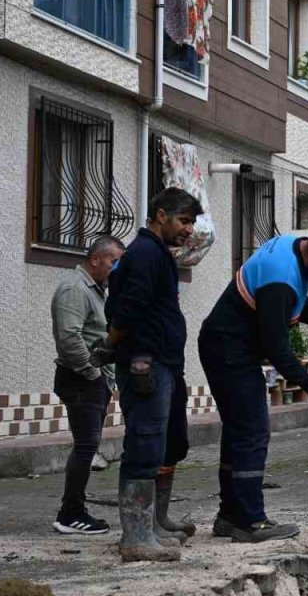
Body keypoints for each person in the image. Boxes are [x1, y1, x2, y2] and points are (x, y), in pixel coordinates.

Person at [198, 226, 308, 543]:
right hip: (229, 350)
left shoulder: (294, 245)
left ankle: (229, 516)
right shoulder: (280, 279)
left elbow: (279, 305)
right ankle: (250, 521)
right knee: (253, 432)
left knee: (239, 431)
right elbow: (277, 347)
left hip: (226, 344)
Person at [99, 187, 201, 562]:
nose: (189, 230)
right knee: (144, 445)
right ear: (160, 215)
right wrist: (112, 344)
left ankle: (154, 525)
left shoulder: (158, 254)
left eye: (191, 222)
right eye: (184, 221)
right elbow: (128, 307)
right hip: (146, 363)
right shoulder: (143, 253)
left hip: (165, 363)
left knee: (167, 443)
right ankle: (136, 538)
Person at [50, 235, 125, 535]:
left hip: (92, 379)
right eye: (114, 261)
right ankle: (70, 514)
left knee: (87, 446)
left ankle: (73, 511)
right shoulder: (74, 288)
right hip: (80, 379)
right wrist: (92, 373)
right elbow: (69, 338)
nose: (116, 268)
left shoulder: (95, 290)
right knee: (85, 447)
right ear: (96, 259)